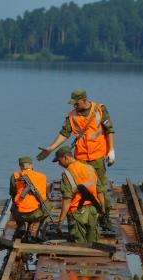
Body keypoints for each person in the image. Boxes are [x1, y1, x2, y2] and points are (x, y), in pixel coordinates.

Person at [36, 88, 114, 230]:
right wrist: (51, 148)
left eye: (76, 103)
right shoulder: (72, 116)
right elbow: (64, 133)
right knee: (80, 189)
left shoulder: (99, 109)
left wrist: (112, 150)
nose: (74, 106)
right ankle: (82, 216)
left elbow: (109, 130)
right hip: (81, 158)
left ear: (84, 100)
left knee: (100, 188)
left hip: (97, 157)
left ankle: (104, 217)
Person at [53, 146, 104, 243]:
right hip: (93, 210)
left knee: (79, 245)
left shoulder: (67, 173)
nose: (59, 164)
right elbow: (100, 190)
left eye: (59, 161)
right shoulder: (90, 168)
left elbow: (67, 199)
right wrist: (103, 208)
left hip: (77, 212)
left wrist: (61, 221)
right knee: (93, 244)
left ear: (66, 158)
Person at [9, 156, 49, 240]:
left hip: (20, 214)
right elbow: (44, 195)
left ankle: (21, 225)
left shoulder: (15, 176)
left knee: (14, 204)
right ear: (32, 165)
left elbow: (12, 194)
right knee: (48, 206)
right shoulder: (42, 176)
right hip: (36, 213)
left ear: (20, 166)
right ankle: (38, 230)